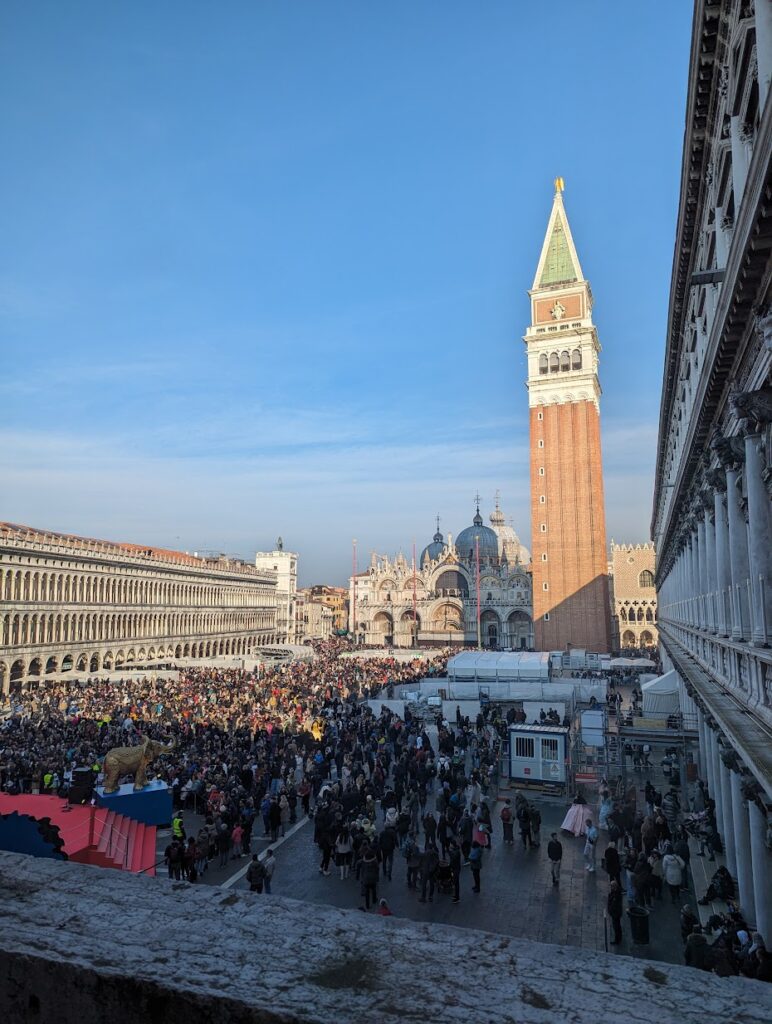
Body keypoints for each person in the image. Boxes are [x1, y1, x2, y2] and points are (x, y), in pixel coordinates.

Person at [607, 880, 623, 945]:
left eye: (611, 886)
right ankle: (619, 937)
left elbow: (614, 905)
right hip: (615, 913)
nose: (610, 887)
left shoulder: (616, 895)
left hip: (615, 913)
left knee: (616, 926)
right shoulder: (615, 892)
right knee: (617, 926)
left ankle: (617, 940)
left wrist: (610, 911)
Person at [448, 837, 461, 904]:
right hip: (455, 868)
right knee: (455, 883)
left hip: (456, 869)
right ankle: (456, 896)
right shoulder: (455, 851)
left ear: (452, 845)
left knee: (456, 883)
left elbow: (453, 859)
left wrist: (450, 852)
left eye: (450, 844)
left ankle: (457, 897)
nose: (449, 846)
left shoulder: (455, 852)